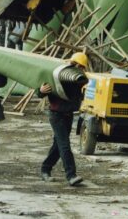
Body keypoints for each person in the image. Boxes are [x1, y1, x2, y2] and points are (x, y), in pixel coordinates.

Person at [39, 52, 89, 186]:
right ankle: (71, 175)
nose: (82, 70)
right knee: (64, 145)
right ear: (75, 64)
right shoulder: (56, 74)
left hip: (68, 115)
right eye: (81, 67)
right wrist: (41, 90)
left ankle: (45, 169)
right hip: (57, 115)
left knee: (58, 145)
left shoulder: (76, 79)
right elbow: (40, 91)